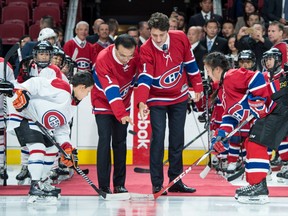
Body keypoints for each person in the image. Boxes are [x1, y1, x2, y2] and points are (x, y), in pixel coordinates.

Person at [204, 51, 288, 204]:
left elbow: (255, 77)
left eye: (208, 71)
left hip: (278, 108)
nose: (208, 75)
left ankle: (258, 187)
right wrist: (221, 135)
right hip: (272, 113)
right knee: (252, 142)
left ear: (217, 69)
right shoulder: (223, 90)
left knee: (256, 143)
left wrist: (257, 97)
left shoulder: (231, 76)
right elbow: (230, 116)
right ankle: (256, 185)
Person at [136, 12, 203, 195]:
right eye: (154, 35)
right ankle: (157, 183)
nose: (157, 39)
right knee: (158, 139)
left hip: (179, 97)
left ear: (169, 30)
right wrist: (141, 101)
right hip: (157, 98)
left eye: (161, 35)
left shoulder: (180, 38)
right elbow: (145, 78)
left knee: (176, 140)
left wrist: (197, 86)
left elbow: (191, 64)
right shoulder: (147, 48)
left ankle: (175, 180)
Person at [3, 72, 94, 204]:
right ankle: (34, 186)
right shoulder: (62, 86)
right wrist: (22, 92)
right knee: (38, 148)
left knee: (52, 149)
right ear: (81, 87)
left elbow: (61, 130)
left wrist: (67, 148)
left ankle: (43, 182)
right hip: (25, 117)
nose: (87, 95)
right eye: (88, 91)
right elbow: (37, 83)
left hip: (40, 126)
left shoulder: (71, 105)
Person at [90, 34, 138, 194]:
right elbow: (111, 90)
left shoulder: (134, 56)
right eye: (123, 55)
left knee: (120, 142)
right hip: (103, 102)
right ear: (114, 48)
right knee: (104, 139)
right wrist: (121, 113)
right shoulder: (103, 59)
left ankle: (119, 184)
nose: (127, 59)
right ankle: (103, 185)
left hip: (123, 103)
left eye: (129, 56)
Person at [0, 59, 15, 182]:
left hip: (0, 110)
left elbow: (13, 88)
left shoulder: (4, 65)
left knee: (0, 138)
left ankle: (0, 165)